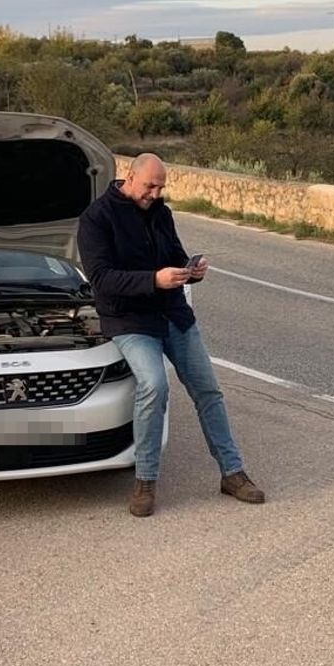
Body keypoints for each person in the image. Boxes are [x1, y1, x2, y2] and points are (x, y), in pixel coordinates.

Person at [77, 153, 264, 517]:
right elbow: (101, 279)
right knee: (154, 386)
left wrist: (192, 269)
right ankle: (145, 482)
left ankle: (232, 473)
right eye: (150, 186)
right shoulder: (96, 219)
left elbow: (175, 255)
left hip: (174, 315)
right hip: (130, 321)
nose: (156, 193)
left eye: (161, 186)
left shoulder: (161, 211)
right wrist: (153, 279)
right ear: (129, 178)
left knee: (208, 390)